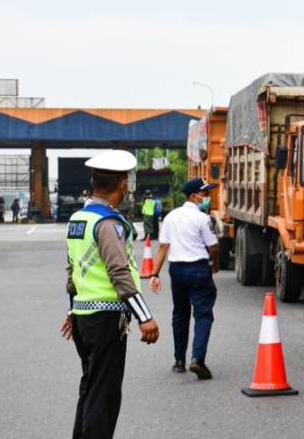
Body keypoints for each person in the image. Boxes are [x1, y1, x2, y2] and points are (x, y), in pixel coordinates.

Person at [59, 149, 159, 439]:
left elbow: (72, 271)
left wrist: (71, 310)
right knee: (105, 395)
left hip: (83, 317)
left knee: (90, 387)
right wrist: (145, 317)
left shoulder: (78, 218)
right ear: (124, 184)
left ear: (93, 180)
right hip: (105, 319)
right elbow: (119, 273)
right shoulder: (108, 223)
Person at [148, 178, 220, 379]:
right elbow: (213, 247)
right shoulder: (203, 219)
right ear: (193, 196)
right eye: (205, 194)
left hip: (176, 270)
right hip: (197, 268)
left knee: (180, 314)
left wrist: (154, 274)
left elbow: (163, 247)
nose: (207, 197)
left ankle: (179, 360)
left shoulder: (171, 217)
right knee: (203, 314)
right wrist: (216, 264)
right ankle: (197, 359)